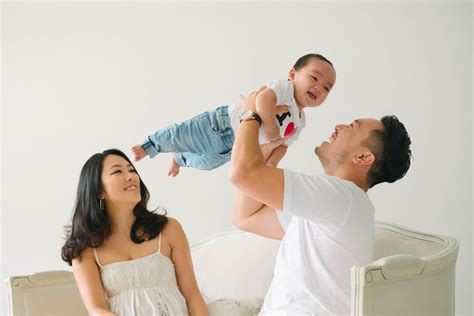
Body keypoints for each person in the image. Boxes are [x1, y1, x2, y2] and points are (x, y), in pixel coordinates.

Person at [229, 89, 412, 315]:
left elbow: (241, 174)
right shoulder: (338, 205)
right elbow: (246, 217)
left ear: (363, 157)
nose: (339, 126)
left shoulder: (340, 197)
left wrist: (251, 115)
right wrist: (266, 158)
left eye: (352, 126)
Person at [131, 53, 336, 176]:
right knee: (183, 135)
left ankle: (181, 158)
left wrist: (272, 163)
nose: (319, 88)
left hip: (237, 147)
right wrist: (272, 127)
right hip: (222, 126)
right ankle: (151, 145)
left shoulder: (300, 121)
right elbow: (263, 99)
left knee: (206, 163)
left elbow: (283, 145)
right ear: (293, 74)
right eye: (314, 78)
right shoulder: (285, 89)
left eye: (327, 88)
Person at [61, 149, 209, 316]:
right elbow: (97, 310)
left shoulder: (169, 229)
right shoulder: (84, 248)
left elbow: (192, 296)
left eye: (132, 170)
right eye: (117, 171)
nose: (131, 176)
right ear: (99, 192)